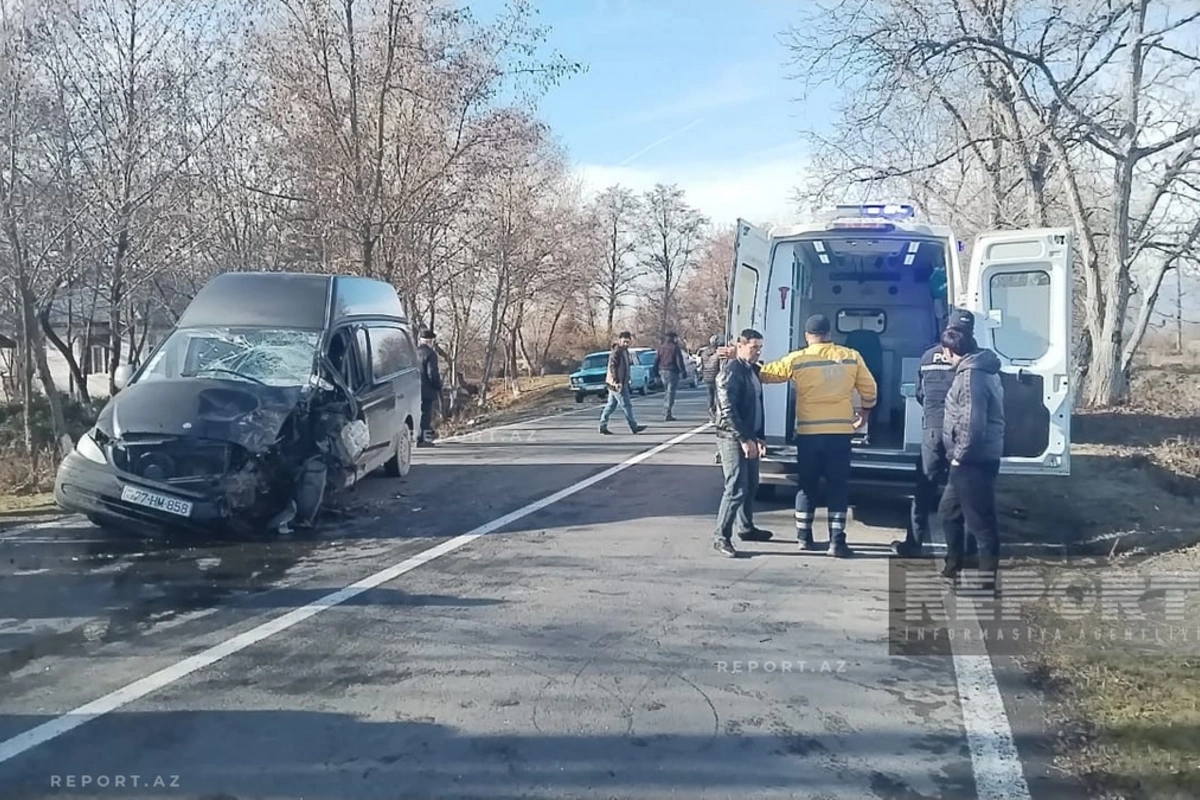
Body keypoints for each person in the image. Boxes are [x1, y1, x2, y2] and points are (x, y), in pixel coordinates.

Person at [757, 314, 878, 557]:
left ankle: (803, 537)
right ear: (830, 334)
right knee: (838, 486)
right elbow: (870, 389)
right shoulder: (851, 356)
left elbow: (768, 375)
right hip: (839, 434)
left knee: (807, 486)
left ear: (807, 336)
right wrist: (865, 411)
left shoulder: (799, 359)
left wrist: (750, 363)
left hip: (809, 434)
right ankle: (836, 542)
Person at [893, 309, 977, 557]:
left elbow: (920, 393)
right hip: (962, 431)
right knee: (965, 490)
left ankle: (913, 543)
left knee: (923, 487)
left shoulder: (929, 355)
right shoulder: (975, 359)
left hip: (933, 428)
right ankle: (967, 548)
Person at [938, 326, 1005, 589]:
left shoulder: (970, 378)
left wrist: (960, 456)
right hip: (975, 458)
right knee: (948, 512)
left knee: (980, 522)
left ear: (949, 351)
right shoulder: (982, 369)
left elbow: (971, 422)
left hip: (971, 461)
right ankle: (953, 567)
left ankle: (987, 581)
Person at [712, 329, 774, 556]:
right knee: (736, 486)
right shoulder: (731, 372)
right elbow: (728, 411)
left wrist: (760, 436)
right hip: (732, 436)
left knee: (752, 484)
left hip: (749, 434)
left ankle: (746, 528)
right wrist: (744, 439)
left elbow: (757, 407)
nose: (757, 352)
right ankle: (721, 537)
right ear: (740, 346)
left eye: (759, 348)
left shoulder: (752, 371)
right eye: (753, 347)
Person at [599, 331, 648, 435]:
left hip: (620, 382)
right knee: (627, 405)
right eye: (624, 341)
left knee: (611, 405)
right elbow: (613, 367)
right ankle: (633, 426)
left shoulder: (625, 351)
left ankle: (602, 425)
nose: (626, 344)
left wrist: (628, 377)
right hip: (617, 383)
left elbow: (625, 367)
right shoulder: (617, 351)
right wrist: (617, 381)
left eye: (628, 342)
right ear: (620, 340)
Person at [416, 330, 443, 447]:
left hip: (413, 389)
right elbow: (432, 373)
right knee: (426, 415)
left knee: (417, 414)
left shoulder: (413, 353)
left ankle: (416, 437)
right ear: (431, 341)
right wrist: (438, 385)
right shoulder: (430, 354)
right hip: (427, 389)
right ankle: (425, 439)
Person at [656, 332, 688, 421]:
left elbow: (656, 360)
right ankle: (667, 412)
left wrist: (655, 373)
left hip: (662, 371)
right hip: (672, 371)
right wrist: (683, 371)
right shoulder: (675, 348)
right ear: (673, 338)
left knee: (667, 391)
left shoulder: (661, 348)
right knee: (671, 392)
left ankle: (666, 410)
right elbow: (679, 360)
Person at [698, 334, 724, 421]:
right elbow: (721, 365)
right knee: (719, 396)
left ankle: (711, 412)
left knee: (710, 396)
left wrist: (702, 374)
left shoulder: (704, 352)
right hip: (716, 376)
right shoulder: (718, 352)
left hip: (707, 376)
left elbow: (702, 364)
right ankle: (717, 413)